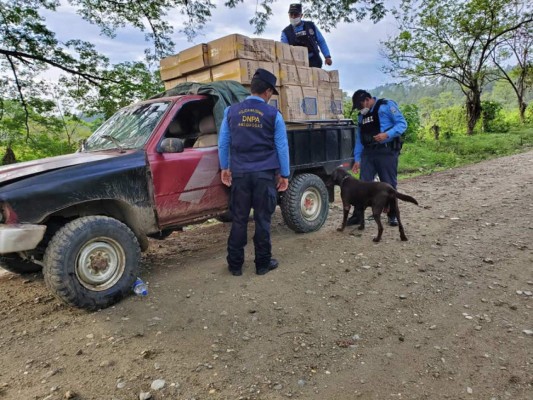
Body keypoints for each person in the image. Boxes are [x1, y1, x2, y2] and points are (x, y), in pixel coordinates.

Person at [218, 68, 290, 277]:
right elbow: (282, 147)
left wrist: (225, 168)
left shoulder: (230, 112)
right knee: (262, 220)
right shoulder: (273, 115)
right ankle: (262, 264)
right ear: (267, 92)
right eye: (271, 94)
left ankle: (235, 265)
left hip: (240, 174)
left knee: (239, 219)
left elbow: (224, 143)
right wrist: (284, 174)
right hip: (264, 175)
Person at [348, 89, 408, 227]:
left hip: (386, 151)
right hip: (369, 153)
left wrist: (387, 134)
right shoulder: (361, 117)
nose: (360, 109)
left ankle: (392, 214)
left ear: (368, 99)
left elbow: (402, 124)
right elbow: (359, 139)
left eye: (360, 106)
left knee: (388, 184)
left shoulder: (386, 106)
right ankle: (358, 216)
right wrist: (357, 159)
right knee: (362, 185)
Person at [281, 3, 332, 68]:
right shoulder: (285, 32)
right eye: (291, 14)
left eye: (296, 14)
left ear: (301, 15)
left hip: (314, 61)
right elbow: (284, 49)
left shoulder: (311, 26)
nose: (293, 17)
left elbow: (321, 41)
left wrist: (327, 56)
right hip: (296, 63)